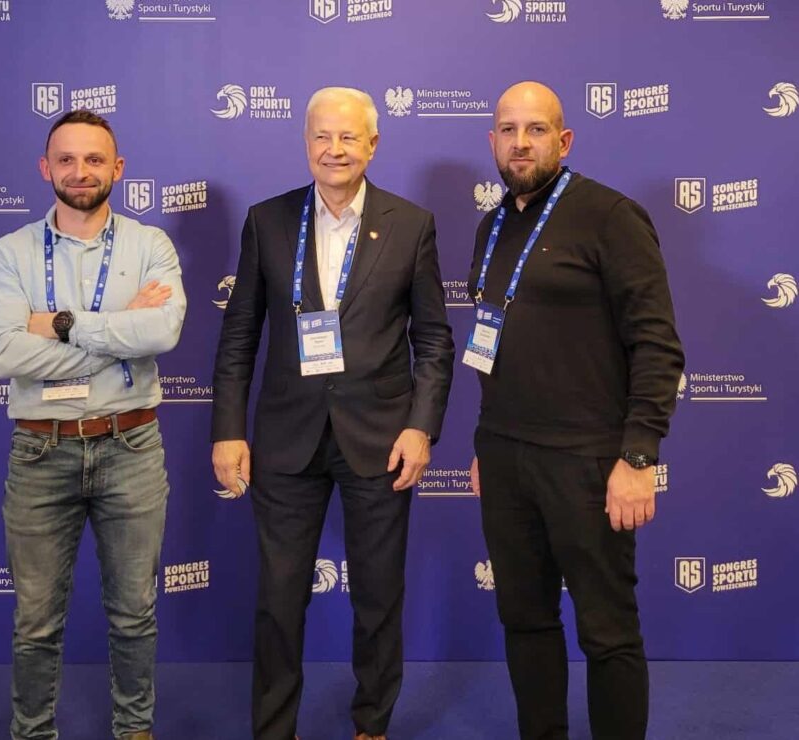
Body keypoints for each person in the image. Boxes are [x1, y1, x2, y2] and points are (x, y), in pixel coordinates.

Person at [211, 87, 454, 740]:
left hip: (381, 438)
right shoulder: (268, 220)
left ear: (372, 144)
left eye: (348, 137)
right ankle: (274, 729)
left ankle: (371, 725)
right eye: (322, 135)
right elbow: (239, 336)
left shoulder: (411, 224)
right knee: (278, 599)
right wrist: (228, 430)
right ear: (305, 142)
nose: (334, 149)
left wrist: (421, 426)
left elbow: (433, 339)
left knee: (378, 597)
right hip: (285, 438)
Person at [465, 81, 684, 740]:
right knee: (524, 620)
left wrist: (638, 456)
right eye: (509, 130)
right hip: (506, 457)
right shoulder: (492, 227)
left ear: (564, 140)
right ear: (493, 141)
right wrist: (485, 443)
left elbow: (657, 344)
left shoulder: (610, 217)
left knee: (607, 631)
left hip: (588, 461)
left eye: (536, 129)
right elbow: (493, 345)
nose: (521, 143)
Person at [0, 109, 186, 740]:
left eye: (94, 159)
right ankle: (33, 732)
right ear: (45, 168)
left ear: (117, 168)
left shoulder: (151, 245)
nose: (80, 171)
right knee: (36, 621)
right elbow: (5, 353)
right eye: (66, 159)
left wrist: (61, 324)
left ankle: (134, 730)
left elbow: (162, 331)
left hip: (132, 446)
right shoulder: (10, 252)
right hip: (41, 453)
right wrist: (119, 331)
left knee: (134, 613)